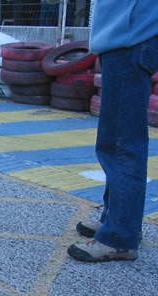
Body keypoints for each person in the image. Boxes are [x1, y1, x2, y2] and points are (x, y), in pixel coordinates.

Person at [67, 0, 158, 262]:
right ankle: (117, 220)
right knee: (116, 140)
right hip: (125, 38)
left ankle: (119, 236)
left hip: (131, 38)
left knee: (121, 142)